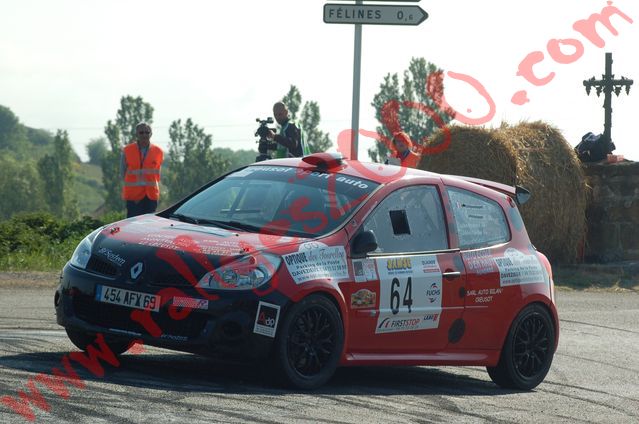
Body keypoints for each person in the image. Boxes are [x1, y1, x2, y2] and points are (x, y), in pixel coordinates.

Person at [120, 122, 164, 218]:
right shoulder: (127, 150)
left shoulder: (158, 152)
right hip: (134, 198)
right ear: (136, 134)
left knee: (149, 226)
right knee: (133, 227)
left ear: (151, 134)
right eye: (141, 132)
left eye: (147, 132)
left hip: (151, 197)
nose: (144, 135)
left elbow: (158, 174)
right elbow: (123, 173)